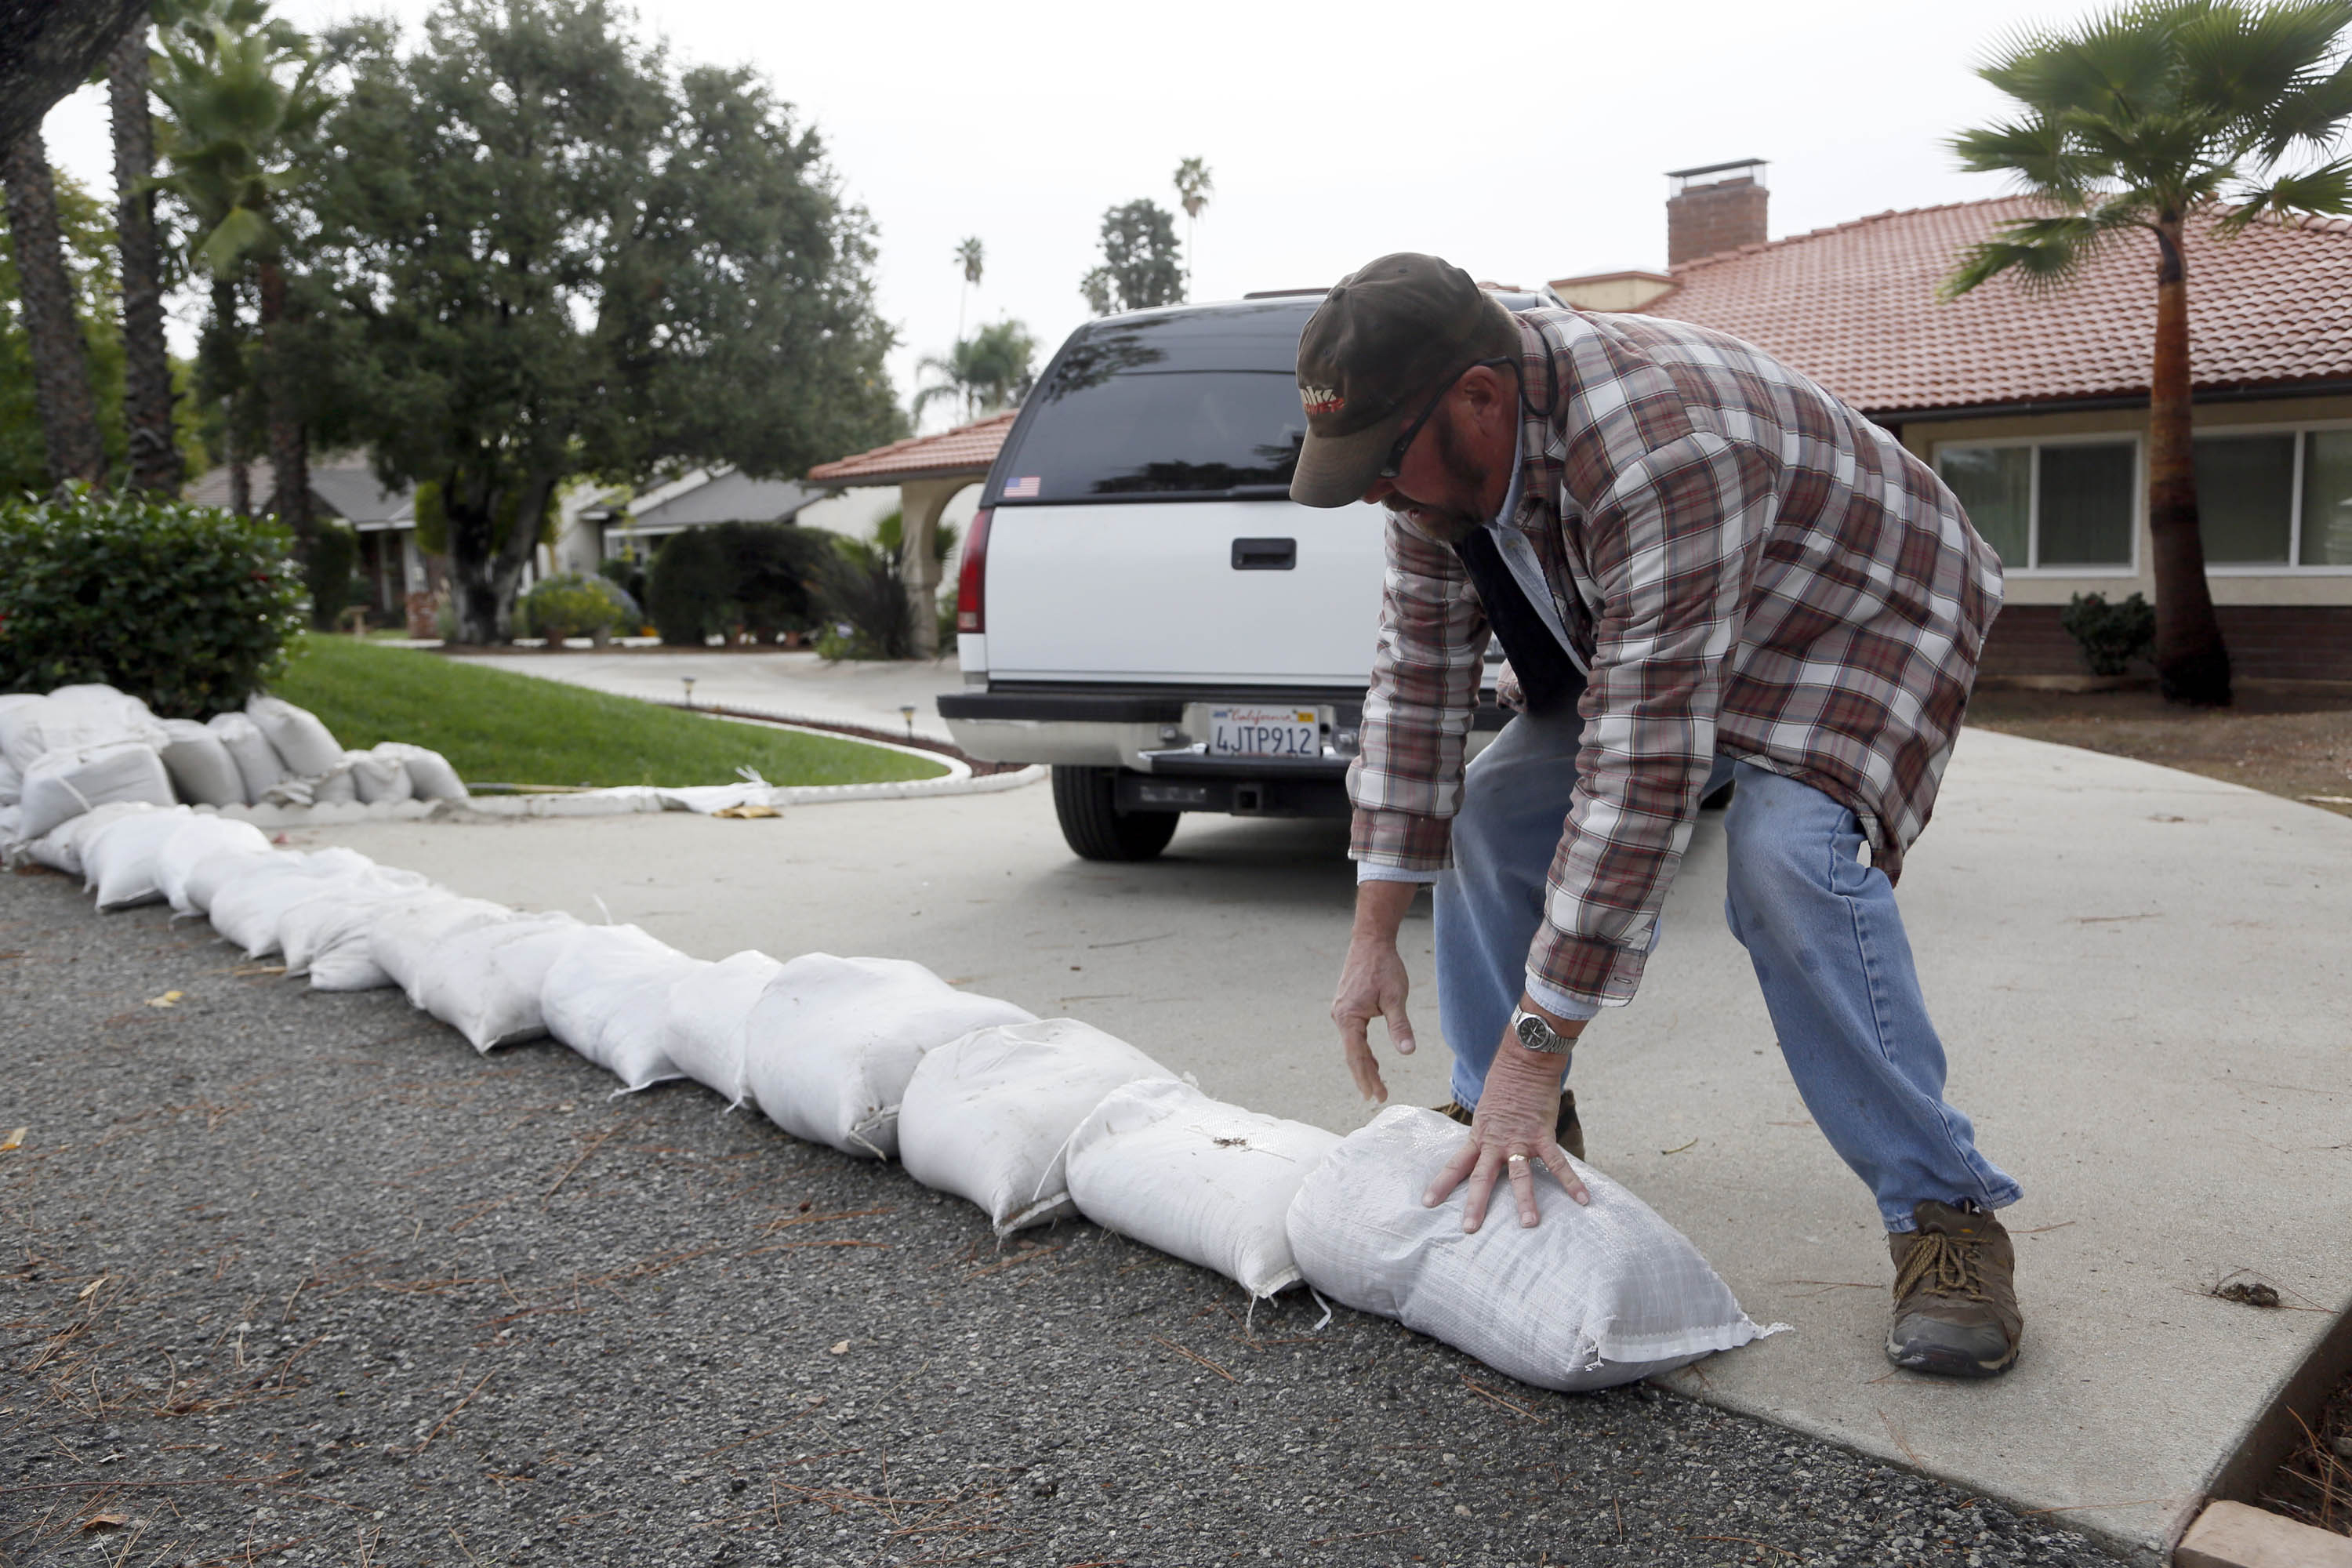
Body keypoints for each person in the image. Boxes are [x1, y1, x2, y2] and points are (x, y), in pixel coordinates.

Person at [1296, 253, 2024, 1379]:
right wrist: (1370, 931)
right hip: (1681, 617)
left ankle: (1945, 1212)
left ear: (1480, 400)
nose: (1384, 496)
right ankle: (1512, 1133)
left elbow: (1643, 775)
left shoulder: (1658, 445)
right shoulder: (1432, 461)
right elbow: (1416, 683)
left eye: (1388, 469)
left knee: (1788, 863)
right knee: (1492, 815)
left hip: (1850, 612)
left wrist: (1539, 1046)